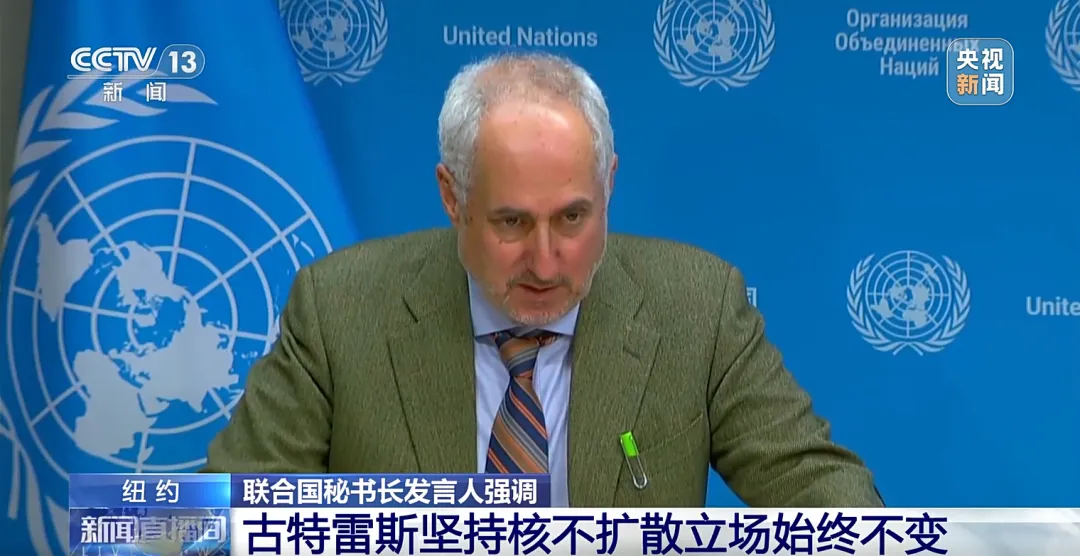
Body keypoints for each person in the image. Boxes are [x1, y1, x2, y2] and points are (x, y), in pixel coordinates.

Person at [204, 52, 883, 508]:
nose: (547, 262)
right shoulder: (340, 309)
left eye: (573, 218)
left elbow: (822, 493)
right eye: (511, 222)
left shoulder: (697, 308)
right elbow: (223, 517)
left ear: (608, 184)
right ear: (452, 197)